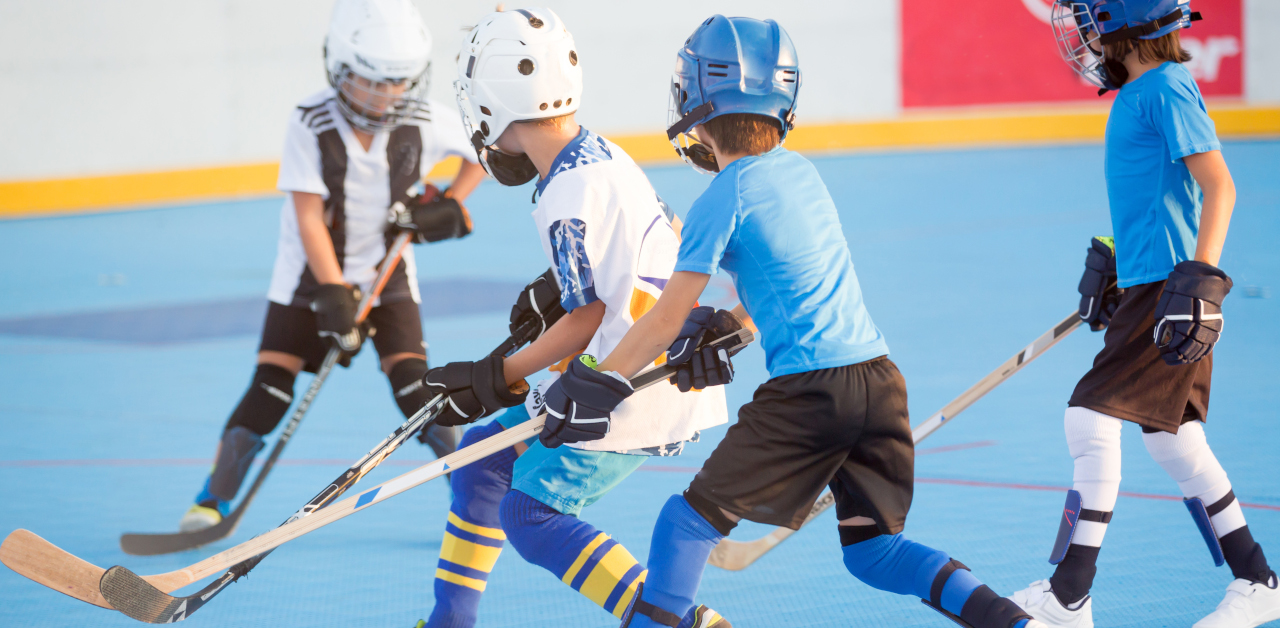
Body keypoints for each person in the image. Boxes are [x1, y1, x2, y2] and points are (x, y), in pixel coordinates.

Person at [543, 15, 1046, 628]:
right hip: (880, 380)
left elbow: (661, 320)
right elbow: (787, 282)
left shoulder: (720, 197)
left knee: (682, 524)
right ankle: (1018, 623)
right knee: (876, 553)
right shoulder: (803, 173)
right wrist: (732, 324)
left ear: (694, 110)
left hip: (812, 393)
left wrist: (597, 382)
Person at [413, 9, 733, 628]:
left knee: (531, 515)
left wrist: (495, 373)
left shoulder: (563, 194)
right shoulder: (602, 153)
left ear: (489, 103)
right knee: (481, 460)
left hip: (627, 385)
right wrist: (561, 292)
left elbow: (589, 317)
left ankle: (681, 622)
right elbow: (659, 242)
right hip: (644, 363)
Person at [1005, 2, 1280, 627]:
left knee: (1088, 418)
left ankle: (1068, 596)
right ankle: (1257, 578)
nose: (1084, 36)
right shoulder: (1143, 92)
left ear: (1124, 28)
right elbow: (1161, 197)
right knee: (1174, 438)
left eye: (1092, 21)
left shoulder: (1164, 88)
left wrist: (1198, 283)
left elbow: (1219, 185)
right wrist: (1115, 260)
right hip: (1152, 280)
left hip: (1171, 288)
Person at [180, 0, 484, 532]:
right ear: (339, 69)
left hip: (388, 276)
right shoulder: (310, 120)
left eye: (397, 82)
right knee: (271, 385)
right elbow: (307, 217)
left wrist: (450, 203)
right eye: (369, 81)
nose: (384, 95)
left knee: (416, 388)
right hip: (308, 279)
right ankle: (212, 501)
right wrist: (335, 293)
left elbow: (485, 149)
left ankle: (470, 502)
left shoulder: (422, 118)